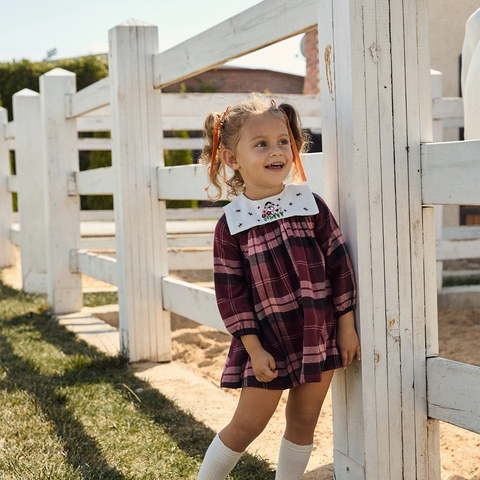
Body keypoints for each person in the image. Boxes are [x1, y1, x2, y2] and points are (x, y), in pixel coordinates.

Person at [196, 95, 361, 480]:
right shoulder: (232, 223)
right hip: (264, 345)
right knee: (246, 426)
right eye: (261, 144)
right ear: (232, 159)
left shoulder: (310, 205)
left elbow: (339, 265)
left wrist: (346, 324)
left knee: (303, 422)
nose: (277, 151)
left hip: (318, 336)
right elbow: (231, 294)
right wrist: (252, 348)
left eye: (283, 140)